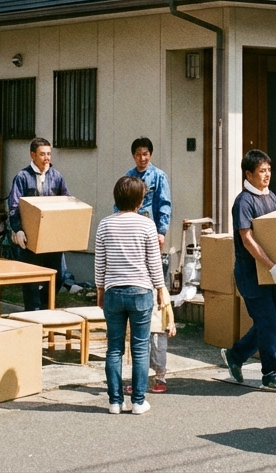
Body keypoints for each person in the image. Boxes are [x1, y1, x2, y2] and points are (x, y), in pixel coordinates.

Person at [221, 149, 276, 392]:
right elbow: (247, 238)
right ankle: (271, 374)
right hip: (252, 273)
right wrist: (271, 266)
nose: (267, 175)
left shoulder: (271, 197)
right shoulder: (244, 201)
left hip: (270, 272)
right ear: (249, 174)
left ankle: (236, 355)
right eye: (262, 171)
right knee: (268, 322)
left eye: (269, 170)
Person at [95, 175, 168, 415]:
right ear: (139, 201)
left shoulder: (105, 224)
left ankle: (115, 401)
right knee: (139, 347)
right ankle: (138, 401)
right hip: (141, 291)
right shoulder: (147, 225)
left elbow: (100, 263)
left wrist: (99, 289)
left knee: (114, 348)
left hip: (113, 291)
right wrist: (160, 289)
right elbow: (154, 263)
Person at [116, 136, 174, 392]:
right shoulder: (128, 177)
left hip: (151, 240)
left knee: (156, 313)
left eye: (146, 153)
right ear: (133, 156)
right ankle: (136, 377)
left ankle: (160, 374)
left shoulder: (159, 176)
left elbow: (165, 206)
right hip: (131, 245)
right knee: (134, 321)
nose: (143, 157)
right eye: (139, 154)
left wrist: (161, 231)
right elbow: (117, 208)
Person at [5, 137, 69, 311]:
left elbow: (67, 202)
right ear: (32, 155)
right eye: (42, 154)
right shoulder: (22, 177)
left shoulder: (56, 176)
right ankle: (33, 314)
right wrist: (17, 230)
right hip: (29, 236)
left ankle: (44, 307)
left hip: (52, 237)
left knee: (59, 275)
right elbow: (14, 206)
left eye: (49, 154)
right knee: (31, 280)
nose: (47, 158)